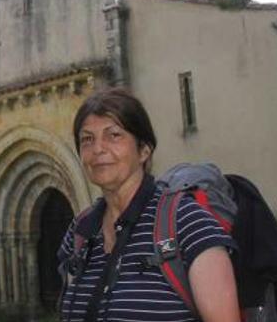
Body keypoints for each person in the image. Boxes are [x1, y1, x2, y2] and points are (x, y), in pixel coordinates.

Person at [58, 88, 239, 322]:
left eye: (114, 135)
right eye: (87, 139)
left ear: (144, 150)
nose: (98, 149)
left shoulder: (187, 222)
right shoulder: (81, 232)